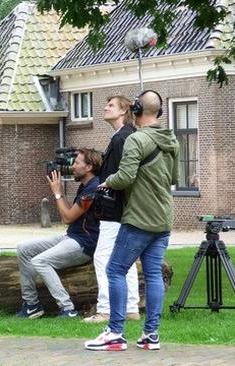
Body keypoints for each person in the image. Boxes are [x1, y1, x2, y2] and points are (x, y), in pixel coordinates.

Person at [85, 90, 179, 351]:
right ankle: (151, 335)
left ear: (135, 111)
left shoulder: (135, 140)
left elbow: (125, 177)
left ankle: (115, 333)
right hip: (163, 218)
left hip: (139, 217)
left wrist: (106, 182)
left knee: (115, 270)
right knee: (152, 275)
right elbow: (172, 178)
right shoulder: (171, 140)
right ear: (158, 112)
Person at [16, 148, 102, 319]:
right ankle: (32, 305)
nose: (72, 166)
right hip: (71, 237)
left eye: (77, 163)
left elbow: (67, 218)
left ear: (89, 167)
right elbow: (71, 212)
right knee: (23, 249)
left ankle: (68, 309)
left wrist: (56, 193)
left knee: (40, 261)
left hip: (84, 244)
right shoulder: (85, 185)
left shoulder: (93, 189)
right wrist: (60, 192)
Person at [83, 96, 140, 323]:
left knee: (103, 257)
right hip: (126, 208)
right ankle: (132, 308)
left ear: (124, 111)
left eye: (111, 106)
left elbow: (121, 175)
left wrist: (104, 185)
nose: (105, 108)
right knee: (126, 259)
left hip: (114, 208)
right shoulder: (127, 136)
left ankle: (106, 309)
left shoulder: (120, 140)